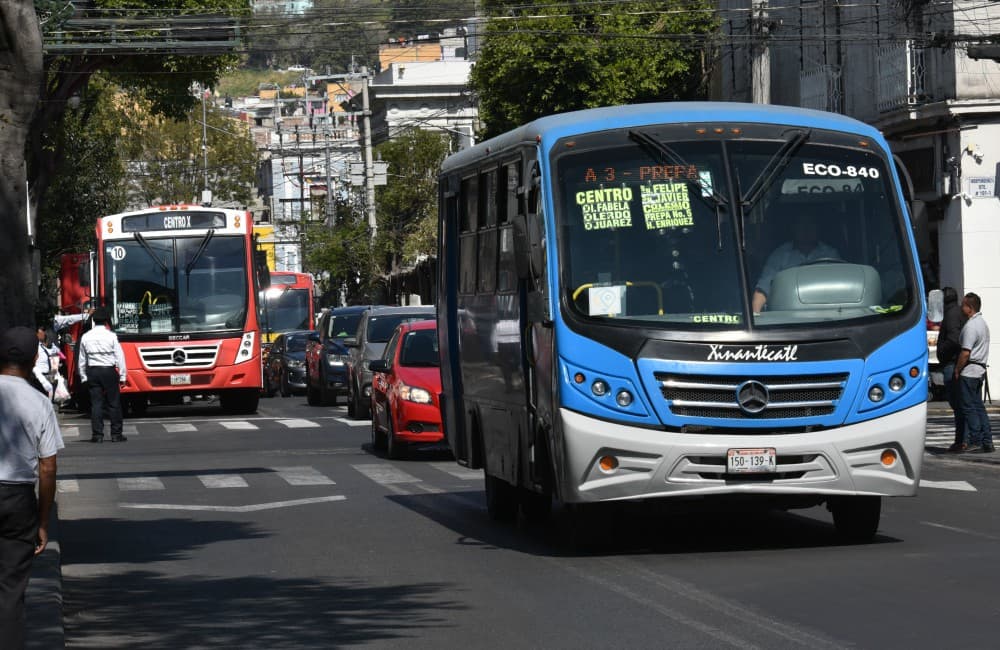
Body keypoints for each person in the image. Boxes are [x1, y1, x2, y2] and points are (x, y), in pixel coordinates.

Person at [0, 326, 64, 649]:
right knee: (11, 591)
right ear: (36, 358)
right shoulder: (40, 403)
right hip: (17, 499)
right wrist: (42, 521)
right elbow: (48, 467)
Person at [752, 214, 840, 313]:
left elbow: (840, 288)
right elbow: (763, 289)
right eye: (801, 224)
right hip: (788, 318)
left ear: (818, 228)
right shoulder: (780, 255)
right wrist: (755, 316)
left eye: (810, 224)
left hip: (826, 315)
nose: (806, 229)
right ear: (793, 228)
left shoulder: (830, 254)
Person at [78, 307, 128, 443]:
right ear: (106, 321)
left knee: (96, 404)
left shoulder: (86, 337)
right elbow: (120, 356)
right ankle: (116, 434)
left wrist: (83, 376)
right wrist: (123, 376)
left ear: (93, 320)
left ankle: (97, 435)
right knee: (114, 403)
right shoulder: (111, 336)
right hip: (109, 371)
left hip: (93, 371)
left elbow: (82, 359)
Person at [954, 292, 994, 453]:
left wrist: (957, 369)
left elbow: (965, 352)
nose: (961, 307)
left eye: (963, 305)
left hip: (969, 371)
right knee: (979, 407)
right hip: (979, 371)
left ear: (969, 308)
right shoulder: (982, 324)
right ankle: (987, 441)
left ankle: (976, 440)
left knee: (969, 407)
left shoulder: (971, 326)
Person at [936, 287, 968, 451]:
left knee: (957, 403)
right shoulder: (957, 312)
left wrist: (941, 350)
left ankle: (961, 440)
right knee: (960, 403)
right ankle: (963, 439)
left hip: (952, 363)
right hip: (954, 362)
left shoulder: (951, 314)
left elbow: (954, 340)